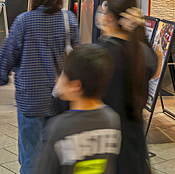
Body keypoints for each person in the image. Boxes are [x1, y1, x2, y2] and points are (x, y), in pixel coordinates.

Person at [0, 0, 79, 174]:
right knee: (59, 153)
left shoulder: (24, 21)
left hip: (30, 98)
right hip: (61, 98)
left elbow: (8, 54)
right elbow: (77, 57)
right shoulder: (69, 20)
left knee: (30, 156)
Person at [35, 44, 120, 174]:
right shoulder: (112, 119)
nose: (58, 78)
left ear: (75, 86)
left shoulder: (60, 126)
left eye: (63, 74)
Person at [99, 0, 157, 174]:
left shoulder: (103, 56)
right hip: (135, 149)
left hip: (109, 150)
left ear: (109, 17)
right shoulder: (141, 53)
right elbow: (154, 64)